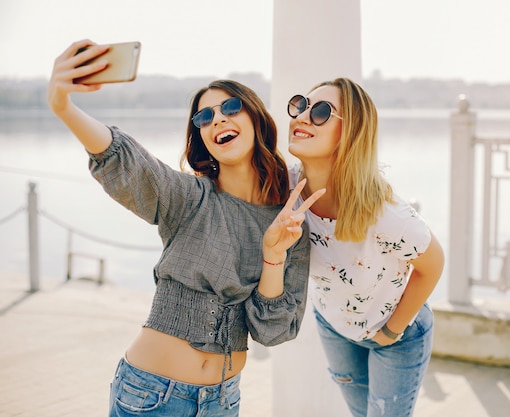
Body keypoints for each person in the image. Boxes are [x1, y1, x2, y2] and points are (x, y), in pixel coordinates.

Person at [47, 39, 325, 417]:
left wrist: (274, 254)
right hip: (151, 396)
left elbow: (273, 331)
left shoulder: (290, 223)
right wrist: (63, 107)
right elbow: (128, 160)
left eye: (230, 107)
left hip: (224, 402)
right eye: (204, 118)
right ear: (202, 140)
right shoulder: (188, 197)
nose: (218, 120)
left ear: (256, 118)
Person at [286, 78, 445, 417]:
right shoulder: (286, 187)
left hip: (397, 334)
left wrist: (391, 330)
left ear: (351, 132)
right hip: (333, 325)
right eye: (300, 106)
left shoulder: (388, 215)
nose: (301, 117)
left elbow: (433, 264)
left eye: (321, 112)